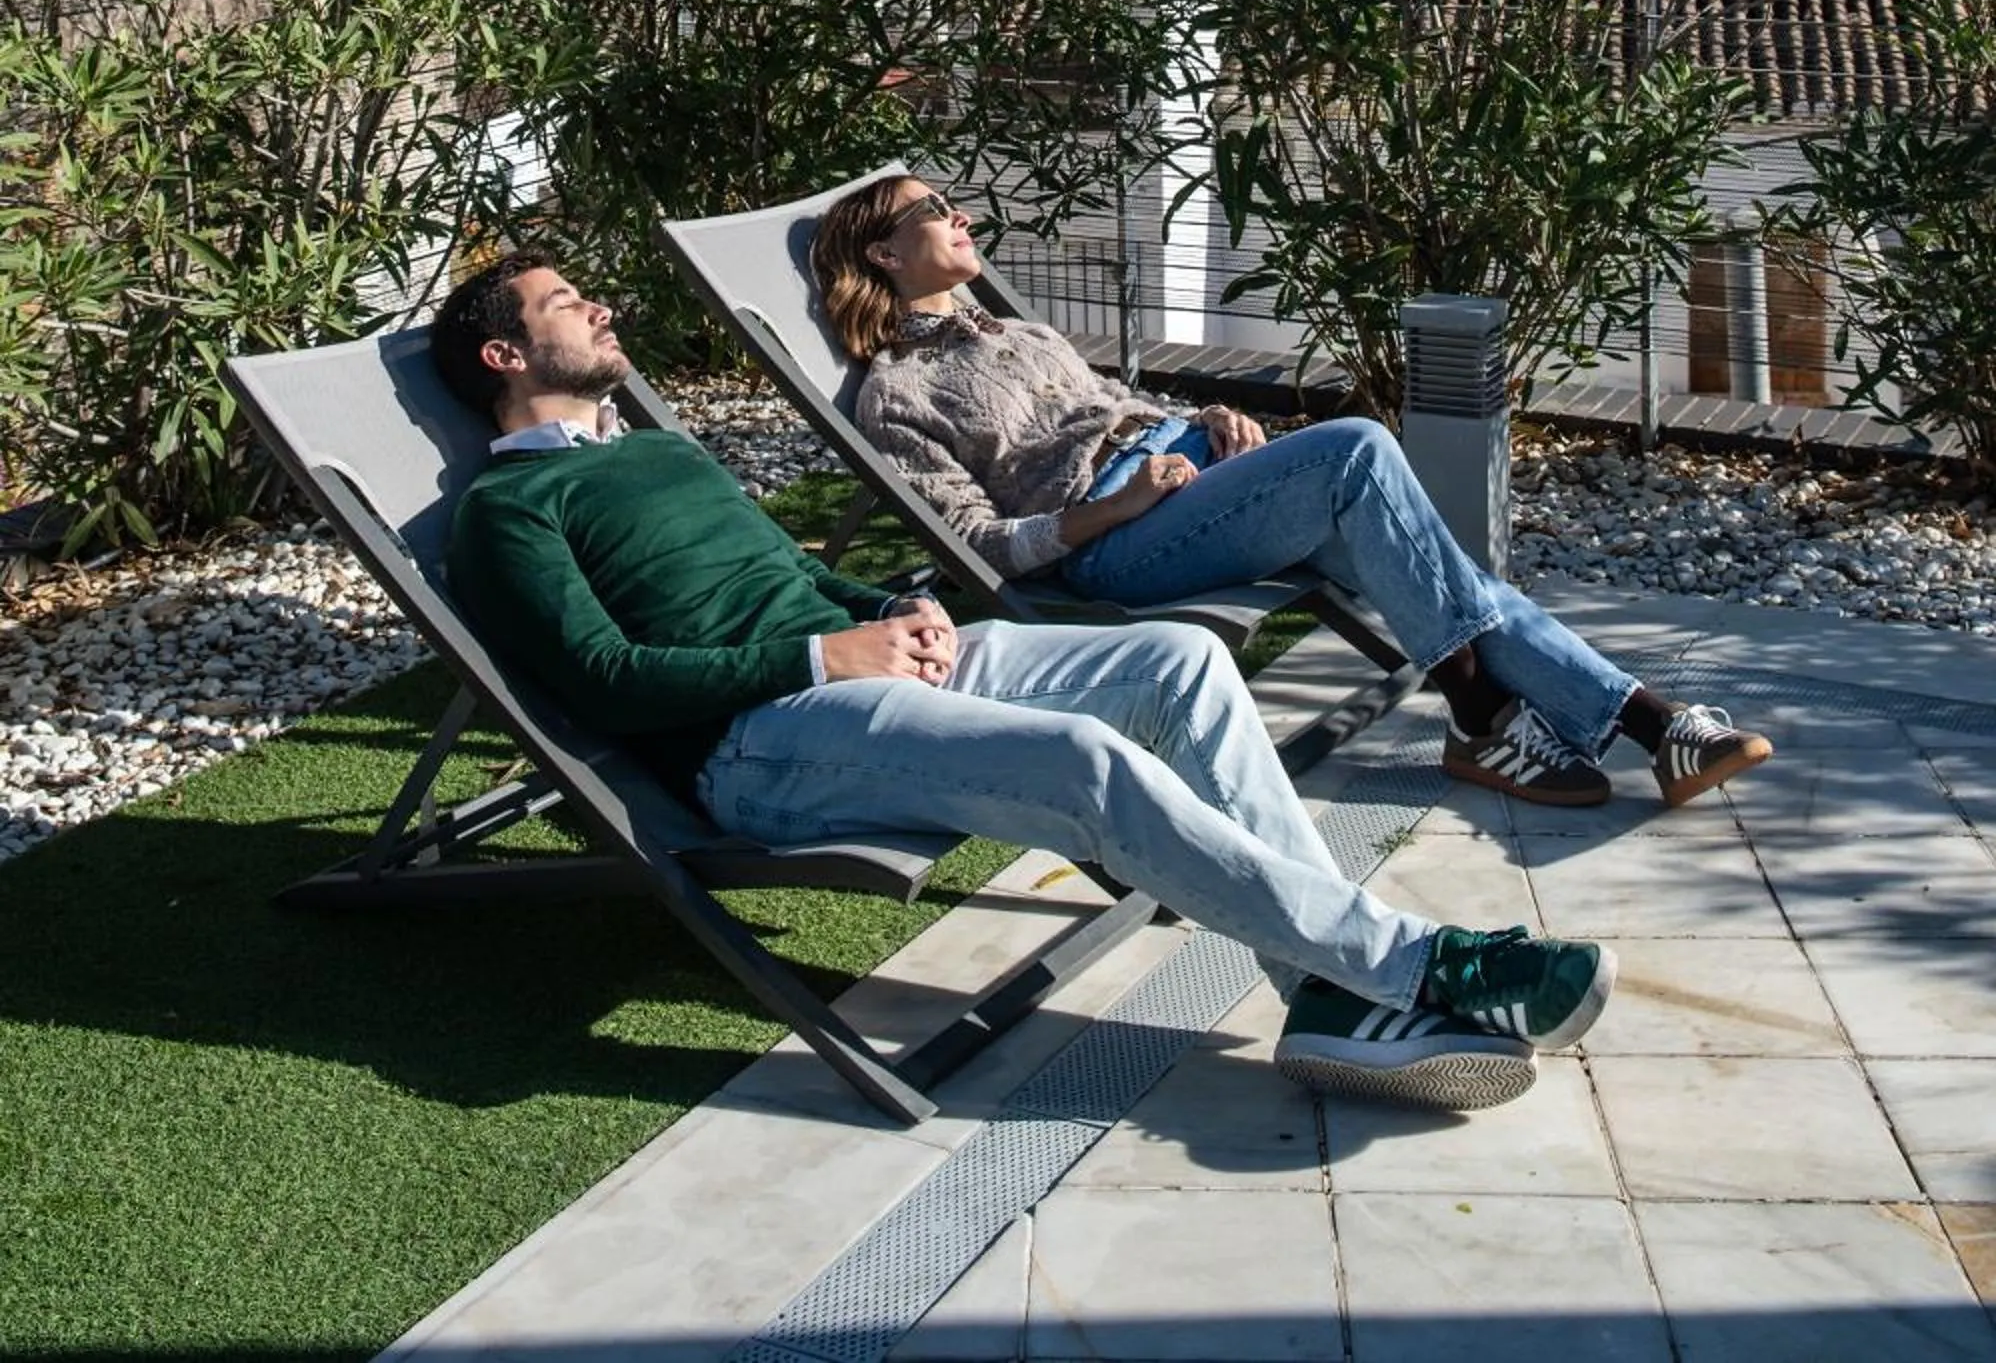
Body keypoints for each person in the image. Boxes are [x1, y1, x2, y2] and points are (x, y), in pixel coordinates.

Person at [431, 252, 1619, 1111]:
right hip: (759, 743)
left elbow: (789, 574)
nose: (595, 305)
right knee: (1084, 763)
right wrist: (820, 656)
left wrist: (889, 611)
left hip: (869, 672)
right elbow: (603, 679)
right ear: (506, 354)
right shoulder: (505, 510)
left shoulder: (656, 450)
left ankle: (1327, 998)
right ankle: (1418, 964)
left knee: (1184, 661)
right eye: (562, 303)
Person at [813, 177, 1773, 814]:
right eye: (936, 208)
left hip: (1191, 482)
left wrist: (1213, 416)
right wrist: (1112, 506)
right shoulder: (897, 392)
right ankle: (1483, 718)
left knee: (1428, 564)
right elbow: (980, 543)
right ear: (887, 257)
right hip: (1121, 541)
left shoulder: (1019, 335)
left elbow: (1119, 404)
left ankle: (1657, 729)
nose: (962, 214)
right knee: (1355, 447)